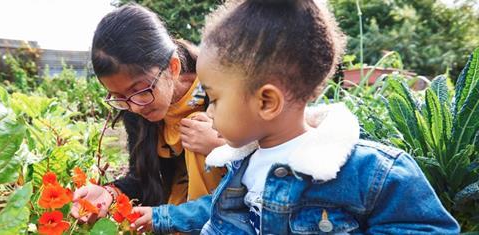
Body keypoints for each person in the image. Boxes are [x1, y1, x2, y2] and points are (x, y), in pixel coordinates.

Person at [130, 0, 460, 234]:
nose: (209, 112)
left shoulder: (371, 174)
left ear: (267, 102)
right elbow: (214, 212)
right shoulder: (242, 167)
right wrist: (161, 218)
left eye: (214, 99)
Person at [71, 4, 226, 222]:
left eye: (140, 90)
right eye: (119, 96)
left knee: (197, 127)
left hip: (231, 211)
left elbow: (274, 151)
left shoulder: (222, 84)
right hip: (176, 212)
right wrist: (109, 193)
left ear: (172, 67)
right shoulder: (135, 105)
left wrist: (224, 147)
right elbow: (141, 177)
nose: (134, 107)